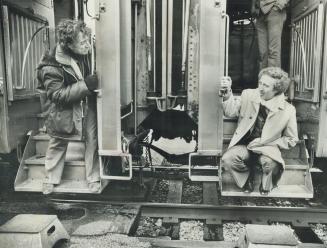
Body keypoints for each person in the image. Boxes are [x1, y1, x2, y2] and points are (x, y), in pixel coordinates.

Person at [37, 19, 100, 194]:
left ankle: (93, 178)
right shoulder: (51, 65)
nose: (88, 45)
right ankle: (50, 178)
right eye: (83, 42)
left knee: (92, 139)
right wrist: (86, 85)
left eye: (88, 40)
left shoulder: (85, 52)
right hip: (63, 109)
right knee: (58, 139)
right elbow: (57, 95)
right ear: (69, 44)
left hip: (86, 104)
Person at [220, 67, 298, 195]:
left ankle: (266, 185)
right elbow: (230, 112)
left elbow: (291, 139)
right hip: (245, 146)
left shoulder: (288, 110)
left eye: (266, 86)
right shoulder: (248, 94)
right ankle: (246, 180)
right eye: (260, 83)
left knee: (270, 164)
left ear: (276, 89)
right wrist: (228, 92)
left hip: (267, 149)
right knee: (228, 158)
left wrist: (265, 142)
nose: (260, 88)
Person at [251, 0, 290, 70]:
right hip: (259, 13)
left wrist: (281, 3)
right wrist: (253, 6)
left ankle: (272, 80)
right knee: (263, 53)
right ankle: (264, 79)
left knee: (273, 52)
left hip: (274, 10)